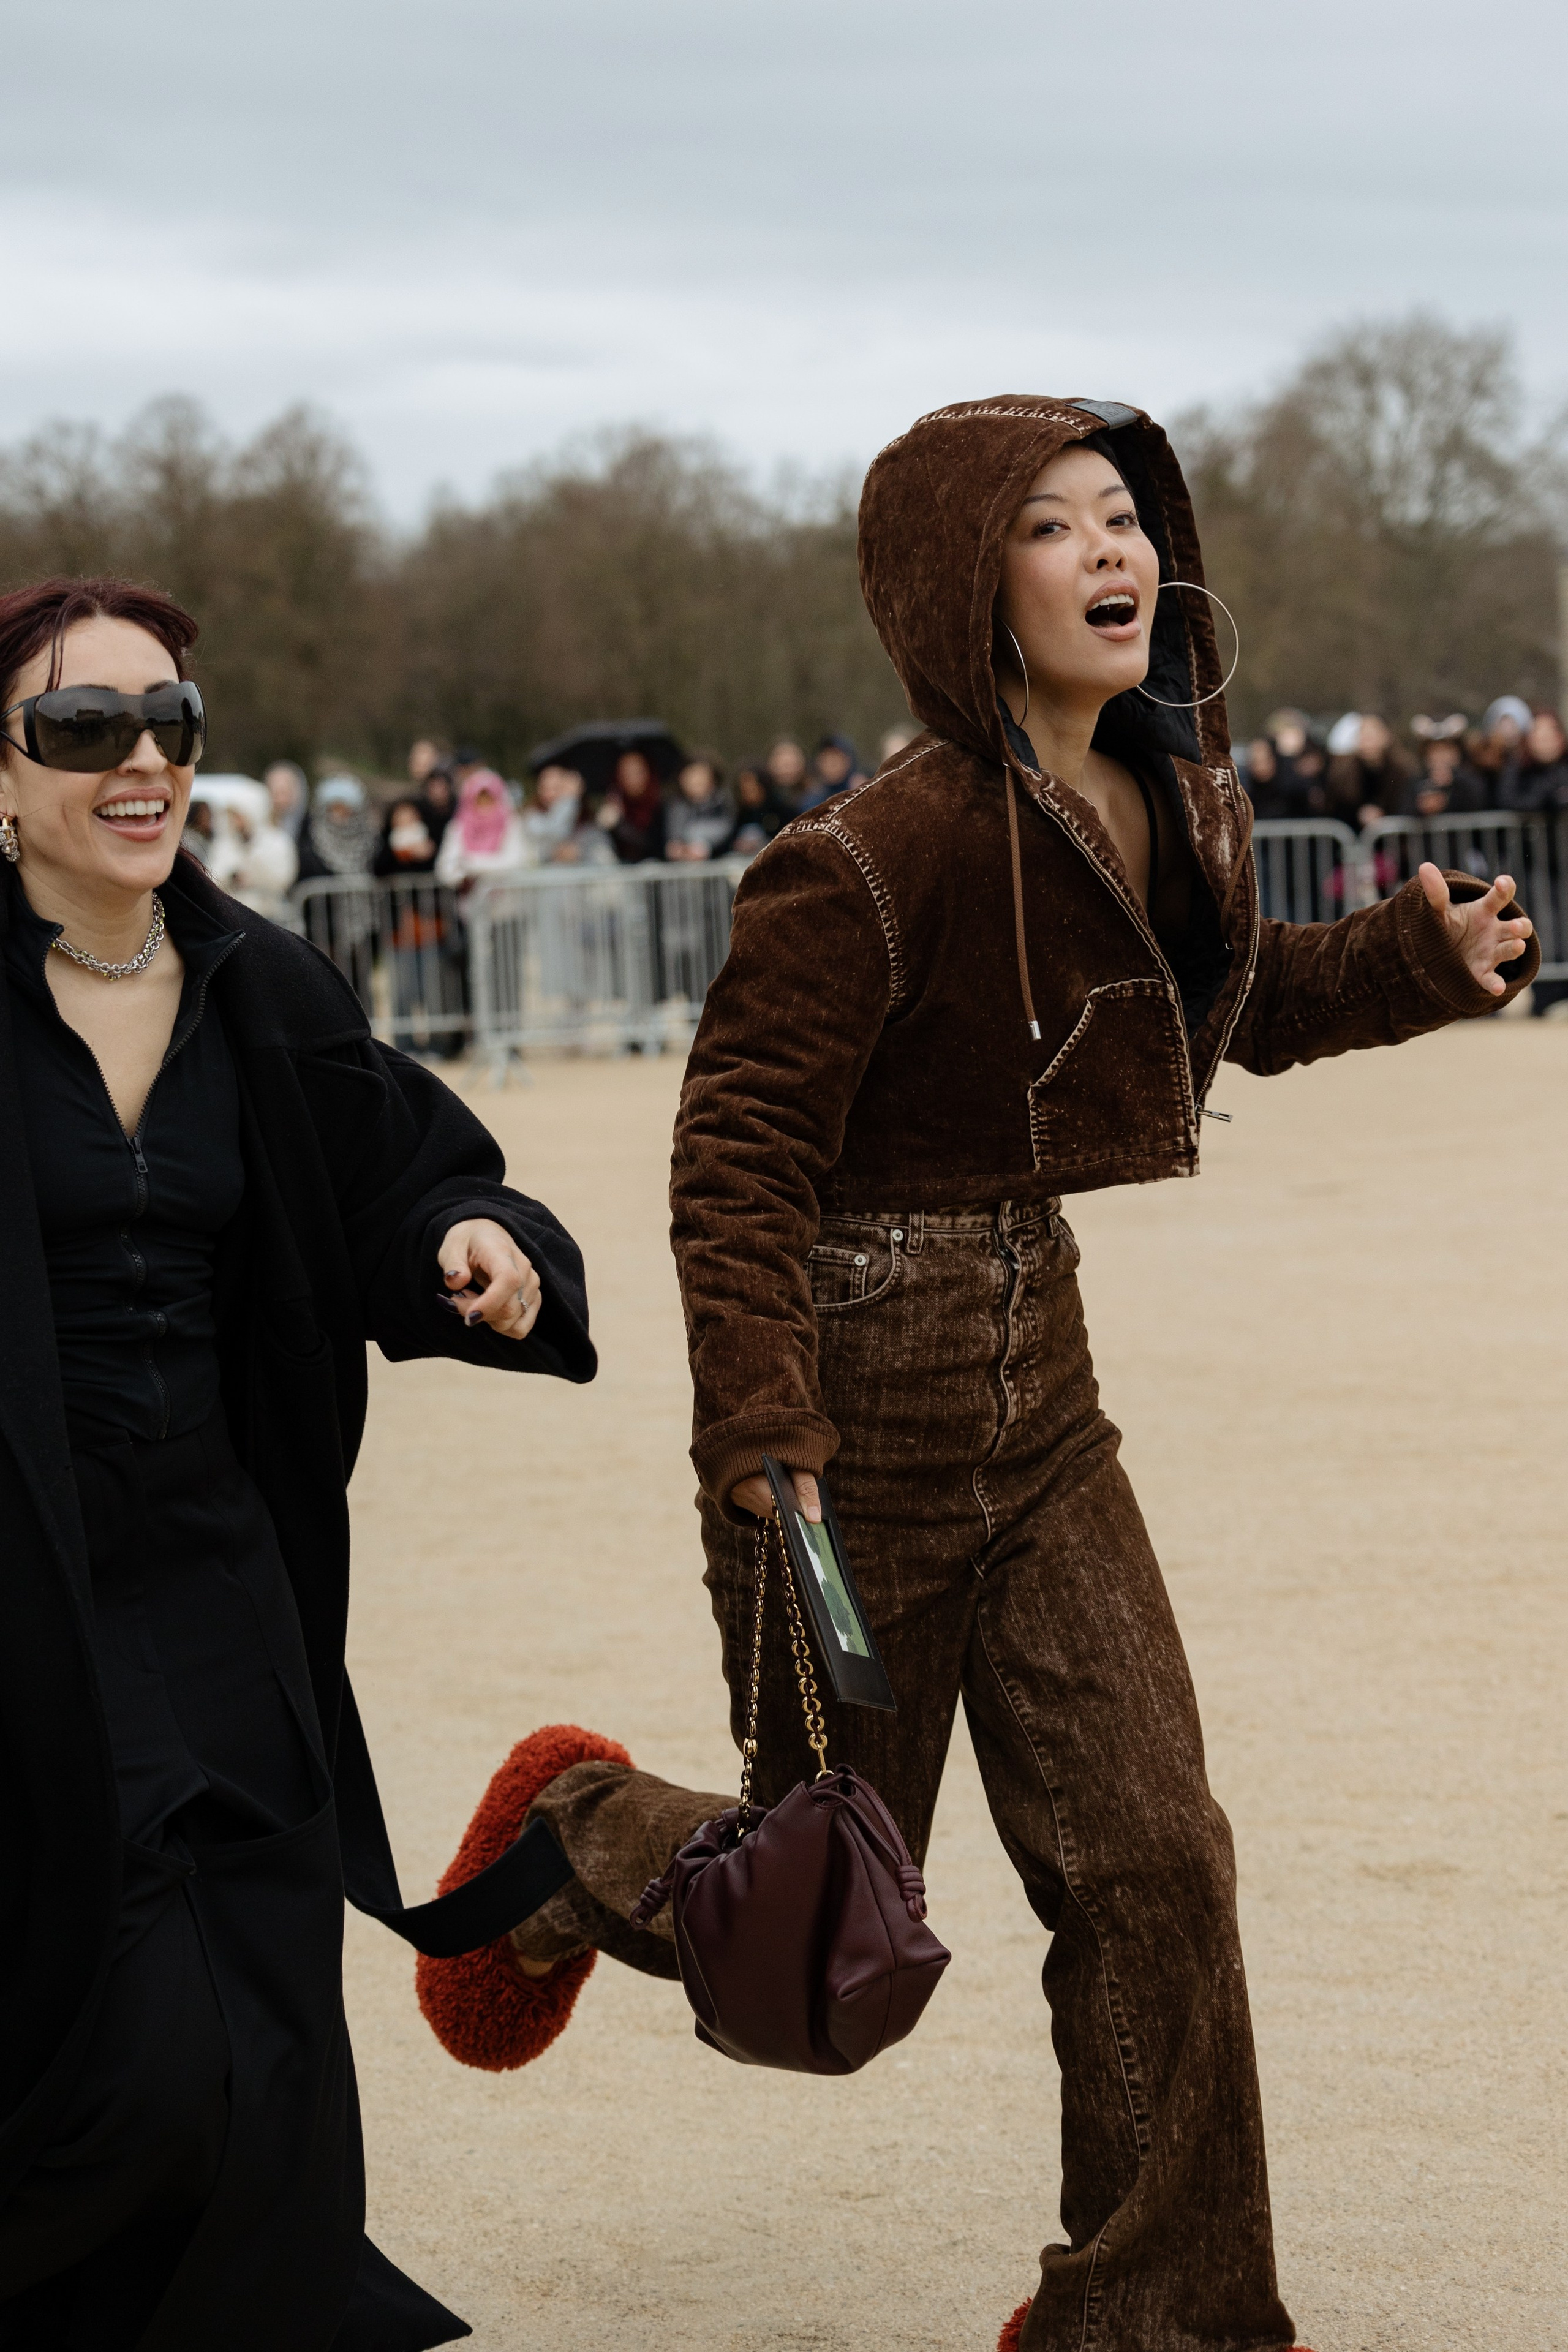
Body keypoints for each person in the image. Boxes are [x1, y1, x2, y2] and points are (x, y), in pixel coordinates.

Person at [466, 398, 1536, 2352]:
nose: (1108, 552)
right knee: (818, 1945)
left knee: (1155, 1855)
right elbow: (738, 1155)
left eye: (1123, 516)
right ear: (968, 586)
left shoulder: (1175, 792)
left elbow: (1224, 1009)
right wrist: (761, 1422)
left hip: (1043, 1395)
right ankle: (587, 1828)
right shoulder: (863, 854)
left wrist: (1405, 959)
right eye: (1052, 527)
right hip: (846, 1419)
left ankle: (1159, 2313)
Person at [0, 575, 597, 2346]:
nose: (140, 762)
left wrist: (477, 1241)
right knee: (126, 2039)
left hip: (226, 1569)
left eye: (169, 721)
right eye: (82, 727)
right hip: (30, 1591)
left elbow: (411, 1170)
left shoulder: (264, 985)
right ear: (4, 780)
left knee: (265, 1992)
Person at [433, 766, 530, 892]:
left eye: (489, 799)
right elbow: (446, 868)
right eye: (479, 800)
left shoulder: (511, 823)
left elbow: (515, 861)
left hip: (507, 900)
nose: (484, 805)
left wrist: (470, 865)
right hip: (470, 903)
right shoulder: (458, 826)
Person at [1324, 712, 1413, 829]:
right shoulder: (1342, 773)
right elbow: (1336, 809)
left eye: (1372, 734)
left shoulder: (1404, 770)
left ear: (1386, 735)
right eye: (1362, 734)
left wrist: (1384, 816)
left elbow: (1407, 808)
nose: (1367, 740)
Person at [521, 763, 613, 866]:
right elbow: (554, 834)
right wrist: (569, 802)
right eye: (544, 788)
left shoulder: (589, 826)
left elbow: (605, 859)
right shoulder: (532, 818)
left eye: (556, 788)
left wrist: (580, 854)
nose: (549, 794)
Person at [596, 748, 667, 864]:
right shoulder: (613, 803)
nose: (632, 778)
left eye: (637, 772)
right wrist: (603, 826)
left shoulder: (662, 806)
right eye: (625, 772)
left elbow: (654, 846)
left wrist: (620, 824)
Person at [663, 755, 733, 862]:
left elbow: (727, 833)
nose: (695, 781)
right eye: (691, 776)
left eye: (700, 776)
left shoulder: (724, 804)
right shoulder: (675, 807)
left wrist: (705, 847)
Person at [1498, 707, 1568, 813]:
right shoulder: (1518, 768)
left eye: (1550, 736)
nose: (1546, 744)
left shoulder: (1564, 768)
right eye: (1541, 737)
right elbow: (1508, 800)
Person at [718, 760, 791, 857]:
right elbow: (728, 843)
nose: (747, 790)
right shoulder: (743, 813)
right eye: (743, 787)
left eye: (751, 785)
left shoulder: (781, 810)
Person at [1403, 734, 1485, 820]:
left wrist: (1455, 783)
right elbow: (1404, 814)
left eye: (1447, 750)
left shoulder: (1470, 777)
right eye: (1435, 750)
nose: (1441, 756)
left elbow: (1479, 804)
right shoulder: (1416, 780)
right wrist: (1421, 807)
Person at [798, 733, 864, 810]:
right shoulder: (811, 801)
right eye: (827, 759)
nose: (832, 764)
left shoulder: (863, 793)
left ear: (849, 761)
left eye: (836, 758)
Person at [262, 758, 309, 843]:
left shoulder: (310, 829)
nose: (280, 800)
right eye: (275, 793)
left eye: (284, 793)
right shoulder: (260, 827)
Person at [763, 736, 809, 810]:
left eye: (793, 763)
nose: (788, 770)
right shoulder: (760, 801)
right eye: (784, 764)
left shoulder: (816, 800)